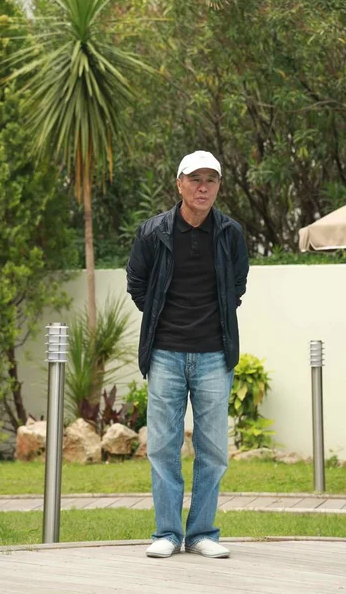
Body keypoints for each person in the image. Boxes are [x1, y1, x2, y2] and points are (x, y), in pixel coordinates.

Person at [126, 150, 249, 559]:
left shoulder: (230, 233)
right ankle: (166, 532)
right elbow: (137, 283)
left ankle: (201, 535)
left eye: (210, 180)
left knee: (213, 448)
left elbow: (238, 286)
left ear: (218, 187)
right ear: (178, 183)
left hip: (215, 353)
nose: (203, 187)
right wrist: (164, 318)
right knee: (163, 445)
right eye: (195, 179)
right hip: (165, 353)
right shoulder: (153, 232)